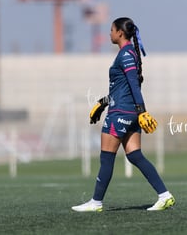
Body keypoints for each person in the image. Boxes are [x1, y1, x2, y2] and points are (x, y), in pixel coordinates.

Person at [71, 17, 175, 212]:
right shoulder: (128, 53)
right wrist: (102, 104)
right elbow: (122, 89)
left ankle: (96, 202)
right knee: (135, 155)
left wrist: (142, 111)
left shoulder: (126, 54)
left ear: (120, 32)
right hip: (130, 113)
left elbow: (134, 86)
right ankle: (165, 195)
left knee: (107, 158)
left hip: (120, 113)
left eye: (111, 30)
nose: (109, 33)